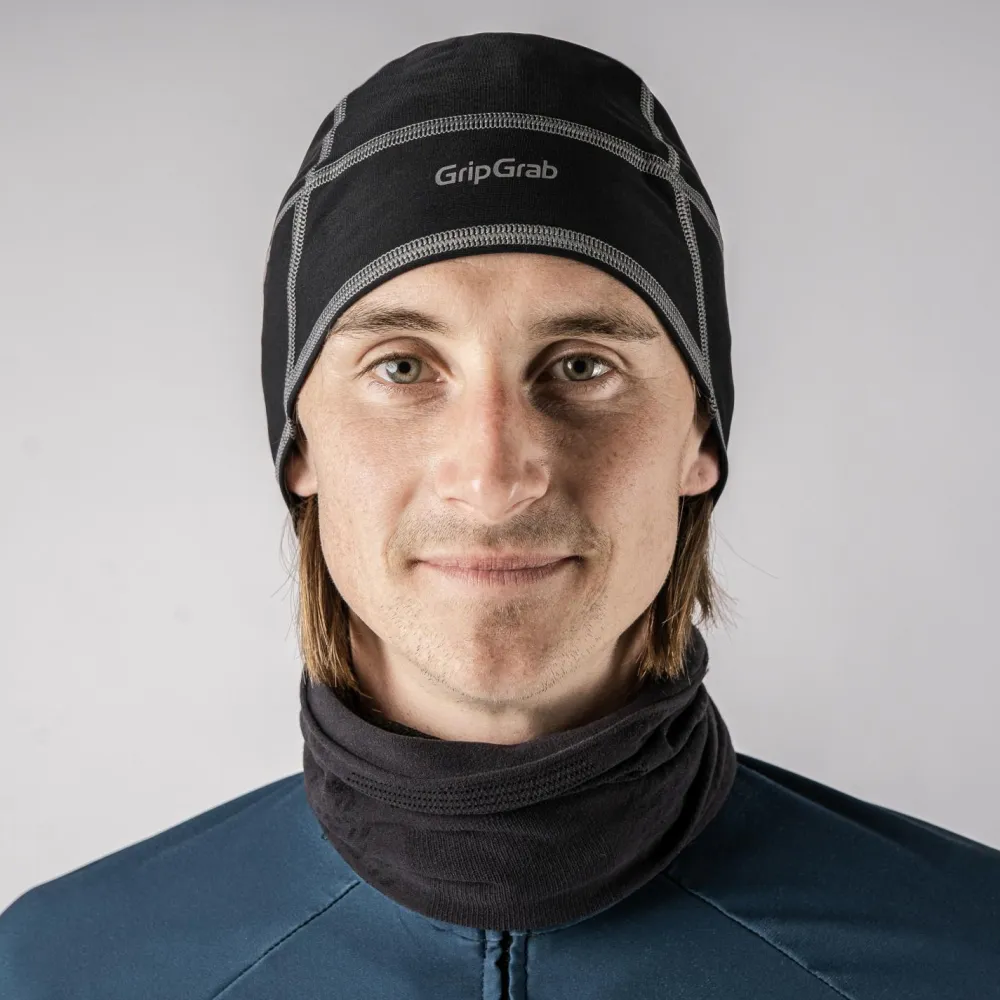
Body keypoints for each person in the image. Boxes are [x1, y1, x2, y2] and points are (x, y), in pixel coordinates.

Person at [2, 30, 998, 1000]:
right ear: (298, 445)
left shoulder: (970, 951)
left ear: (700, 435)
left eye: (582, 365)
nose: (493, 476)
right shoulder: (59, 971)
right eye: (403, 366)